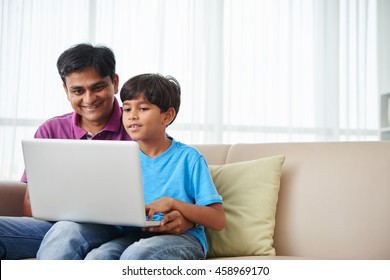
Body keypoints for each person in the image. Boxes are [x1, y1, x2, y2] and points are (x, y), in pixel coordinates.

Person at [0, 44, 193, 260]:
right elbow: (30, 205)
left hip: (122, 232)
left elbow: (168, 186)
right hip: (53, 230)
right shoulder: (50, 130)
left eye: (98, 87)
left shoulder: (139, 126)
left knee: (68, 232)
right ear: (66, 91)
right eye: (78, 91)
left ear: (115, 83)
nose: (89, 99)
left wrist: (186, 220)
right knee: (61, 230)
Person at [36, 73, 226, 260]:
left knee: (137, 254)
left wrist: (173, 203)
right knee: (98, 257)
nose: (132, 116)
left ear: (167, 116)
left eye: (143, 109)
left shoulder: (189, 158)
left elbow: (217, 219)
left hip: (183, 239)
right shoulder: (122, 158)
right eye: (127, 109)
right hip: (134, 236)